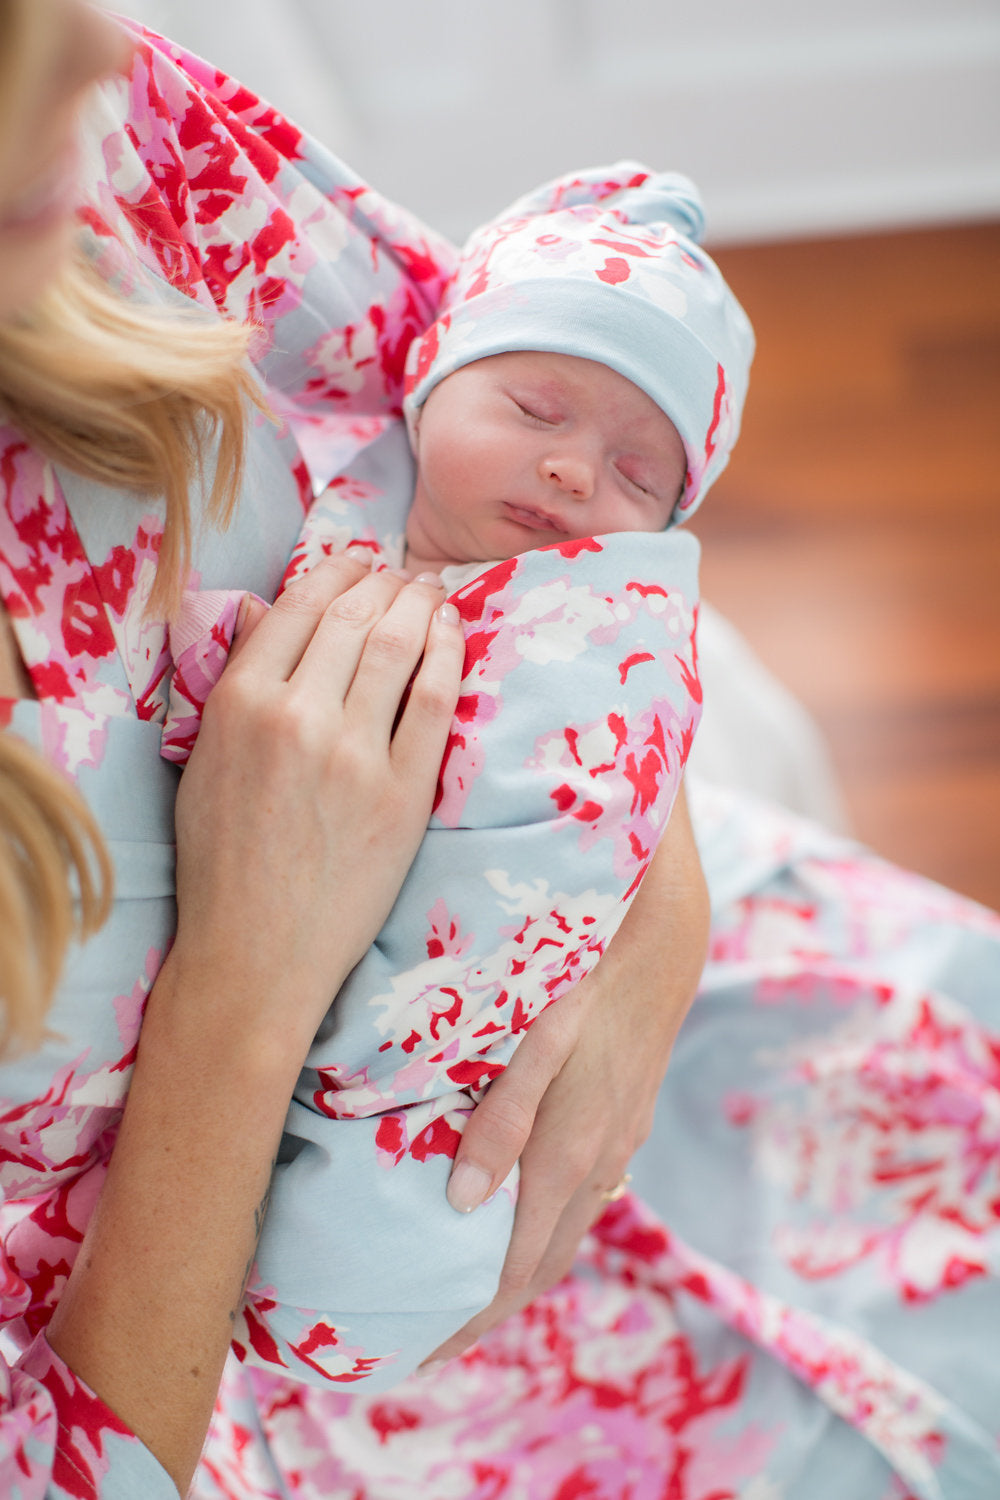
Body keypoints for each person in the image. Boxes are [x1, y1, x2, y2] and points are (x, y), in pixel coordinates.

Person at [2, 9, 999, 1500]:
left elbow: (475, 352)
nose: (99, 44)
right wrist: (249, 986)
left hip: (620, 991)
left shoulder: (83, 123)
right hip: (281, 1354)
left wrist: (643, 892)